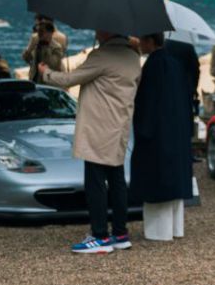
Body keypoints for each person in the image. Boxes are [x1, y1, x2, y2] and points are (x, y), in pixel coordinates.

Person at [38, 31, 141, 253]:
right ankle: (121, 233)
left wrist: (46, 73)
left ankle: (99, 235)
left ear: (106, 32)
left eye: (98, 29)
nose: (96, 32)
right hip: (119, 125)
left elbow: (69, 80)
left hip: (98, 127)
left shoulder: (101, 55)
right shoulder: (133, 57)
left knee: (95, 181)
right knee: (117, 181)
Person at [130, 33, 196, 240]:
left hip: (157, 134)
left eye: (141, 40)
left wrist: (142, 130)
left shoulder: (153, 65)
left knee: (157, 184)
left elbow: (147, 103)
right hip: (176, 132)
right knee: (173, 187)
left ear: (149, 41)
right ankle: (176, 229)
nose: (139, 44)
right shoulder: (175, 64)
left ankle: (160, 233)